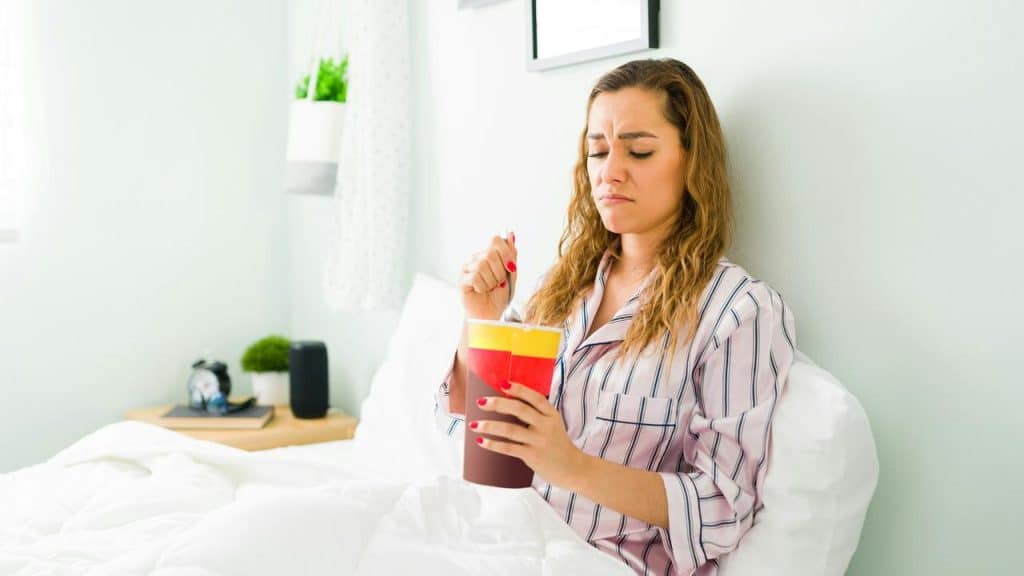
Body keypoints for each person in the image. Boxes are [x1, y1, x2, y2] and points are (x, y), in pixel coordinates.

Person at [435, 58, 796, 576]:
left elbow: (721, 509)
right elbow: (474, 442)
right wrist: (482, 322)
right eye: (598, 151)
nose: (610, 172)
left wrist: (573, 467)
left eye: (639, 150)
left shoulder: (737, 311)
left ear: (692, 160)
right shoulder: (563, 288)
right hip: (503, 539)